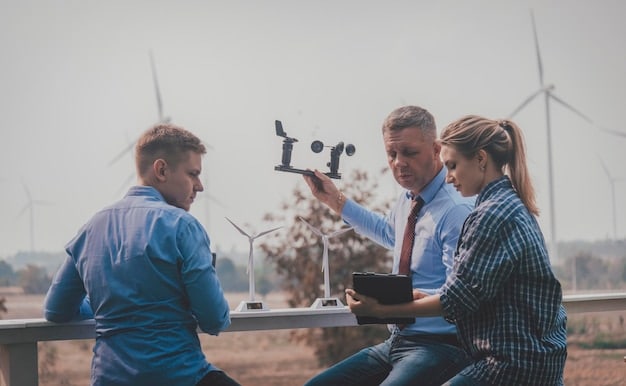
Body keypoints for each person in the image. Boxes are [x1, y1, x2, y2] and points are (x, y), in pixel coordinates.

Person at [346, 115, 568, 385]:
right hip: (533, 355)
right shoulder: (509, 204)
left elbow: (456, 301)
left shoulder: (491, 215)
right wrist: (421, 296)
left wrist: (382, 311)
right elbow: (473, 289)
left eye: (452, 166)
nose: (449, 178)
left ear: (481, 159)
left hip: (511, 362)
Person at [44, 124, 241, 386]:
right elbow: (215, 319)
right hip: (180, 376)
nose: (200, 186)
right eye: (193, 174)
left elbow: (55, 309)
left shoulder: (91, 227)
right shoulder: (182, 226)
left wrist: (111, 305)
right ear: (161, 170)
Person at [302, 105, 474, 386]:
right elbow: (390, 233)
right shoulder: (409, 198)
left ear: (436, 149)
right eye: (391, 154)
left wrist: (389, 304)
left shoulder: (456, 210)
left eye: (409, 152)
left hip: (442, 346)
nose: (398, 163)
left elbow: (461, 294)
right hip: (397, 341)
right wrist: (336, 201)